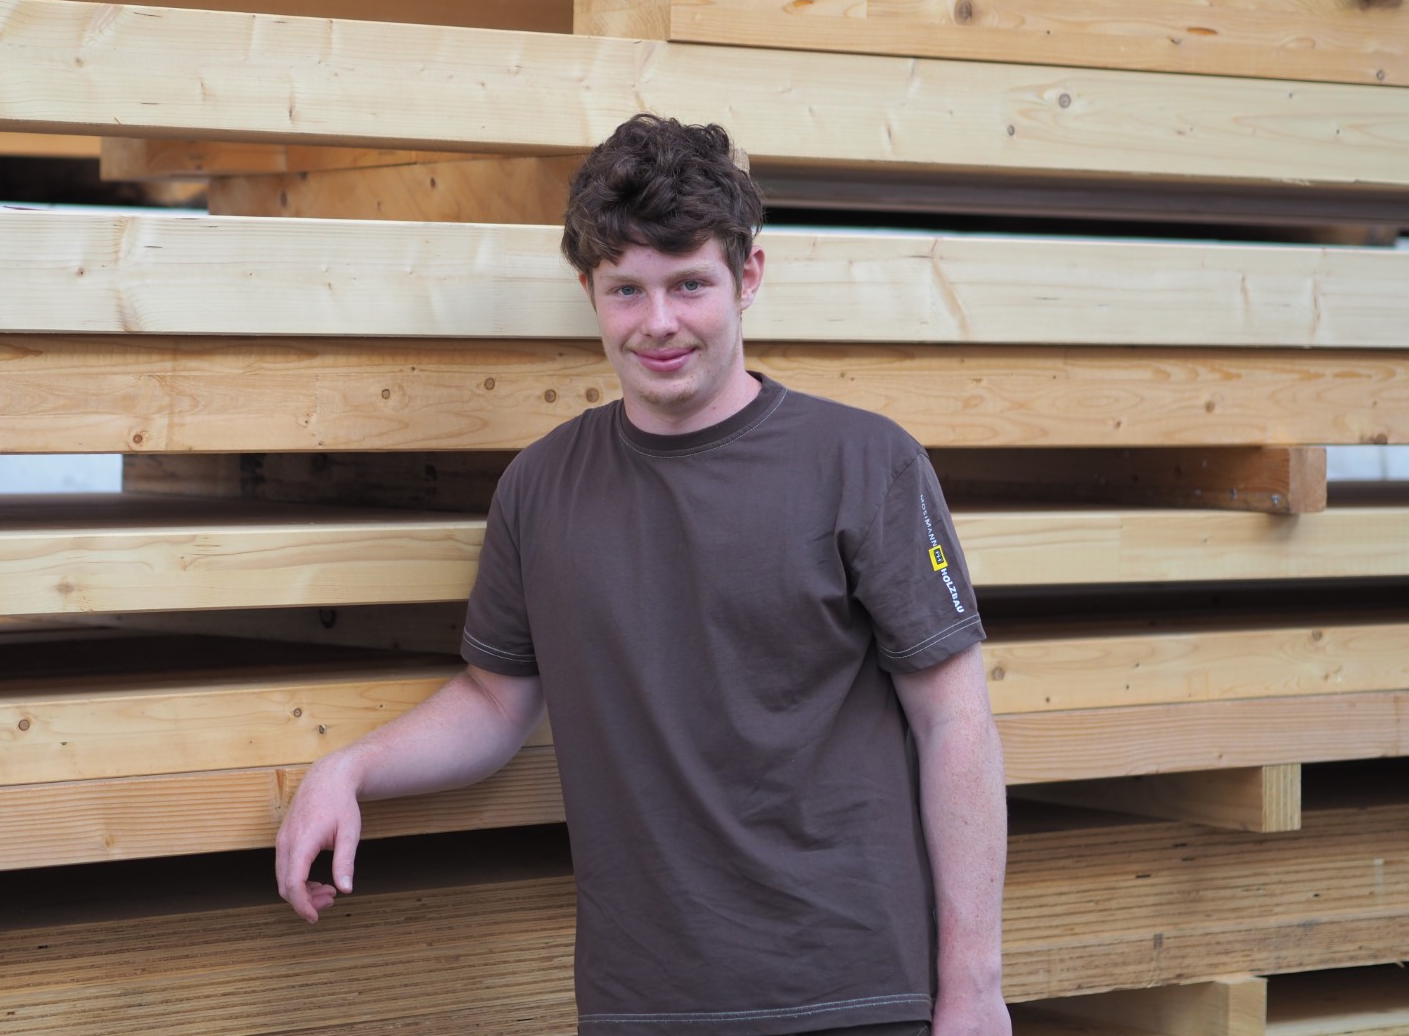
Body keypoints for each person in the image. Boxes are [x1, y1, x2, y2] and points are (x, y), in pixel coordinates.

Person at [276, 114, 1009, 1036]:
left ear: (747, 277)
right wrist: (350, 769)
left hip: (850, 994)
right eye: (627, 289)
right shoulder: (540, 486)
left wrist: (973, 984)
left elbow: (955, 723)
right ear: (589, 291)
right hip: (642, 1001)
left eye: (689, 284)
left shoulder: (866, 463)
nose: (658, 322)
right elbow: (496, 703)